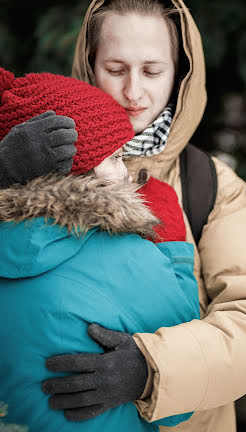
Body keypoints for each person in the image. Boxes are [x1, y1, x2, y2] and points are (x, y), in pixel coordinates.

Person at [0, 1, 246, 431]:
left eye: (153, 71)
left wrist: (153, 368)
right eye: (116, 69)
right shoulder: (22, 152)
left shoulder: (207, 182)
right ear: (89, 65)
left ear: (181, 74)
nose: (134, 91)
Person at [0, 68, 201, 431]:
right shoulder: (131, 259)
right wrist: (175, 253)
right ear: (73, 169)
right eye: (115, 157)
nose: (126, 174)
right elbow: (182, 405)